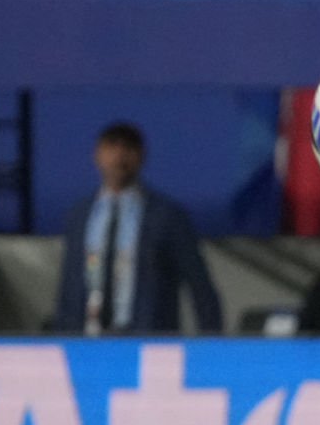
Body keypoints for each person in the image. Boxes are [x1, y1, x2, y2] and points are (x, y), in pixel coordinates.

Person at [49, 122, 224, 336]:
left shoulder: (166, 215)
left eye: (128, 148)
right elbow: (70, 284)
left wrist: (211, 341)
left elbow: (199, 284)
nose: (120, 155)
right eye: (112, 146)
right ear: (97, 154)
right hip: (86, 340)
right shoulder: (79, 214)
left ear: (142, 155)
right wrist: (62, 337)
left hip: (146, 340)